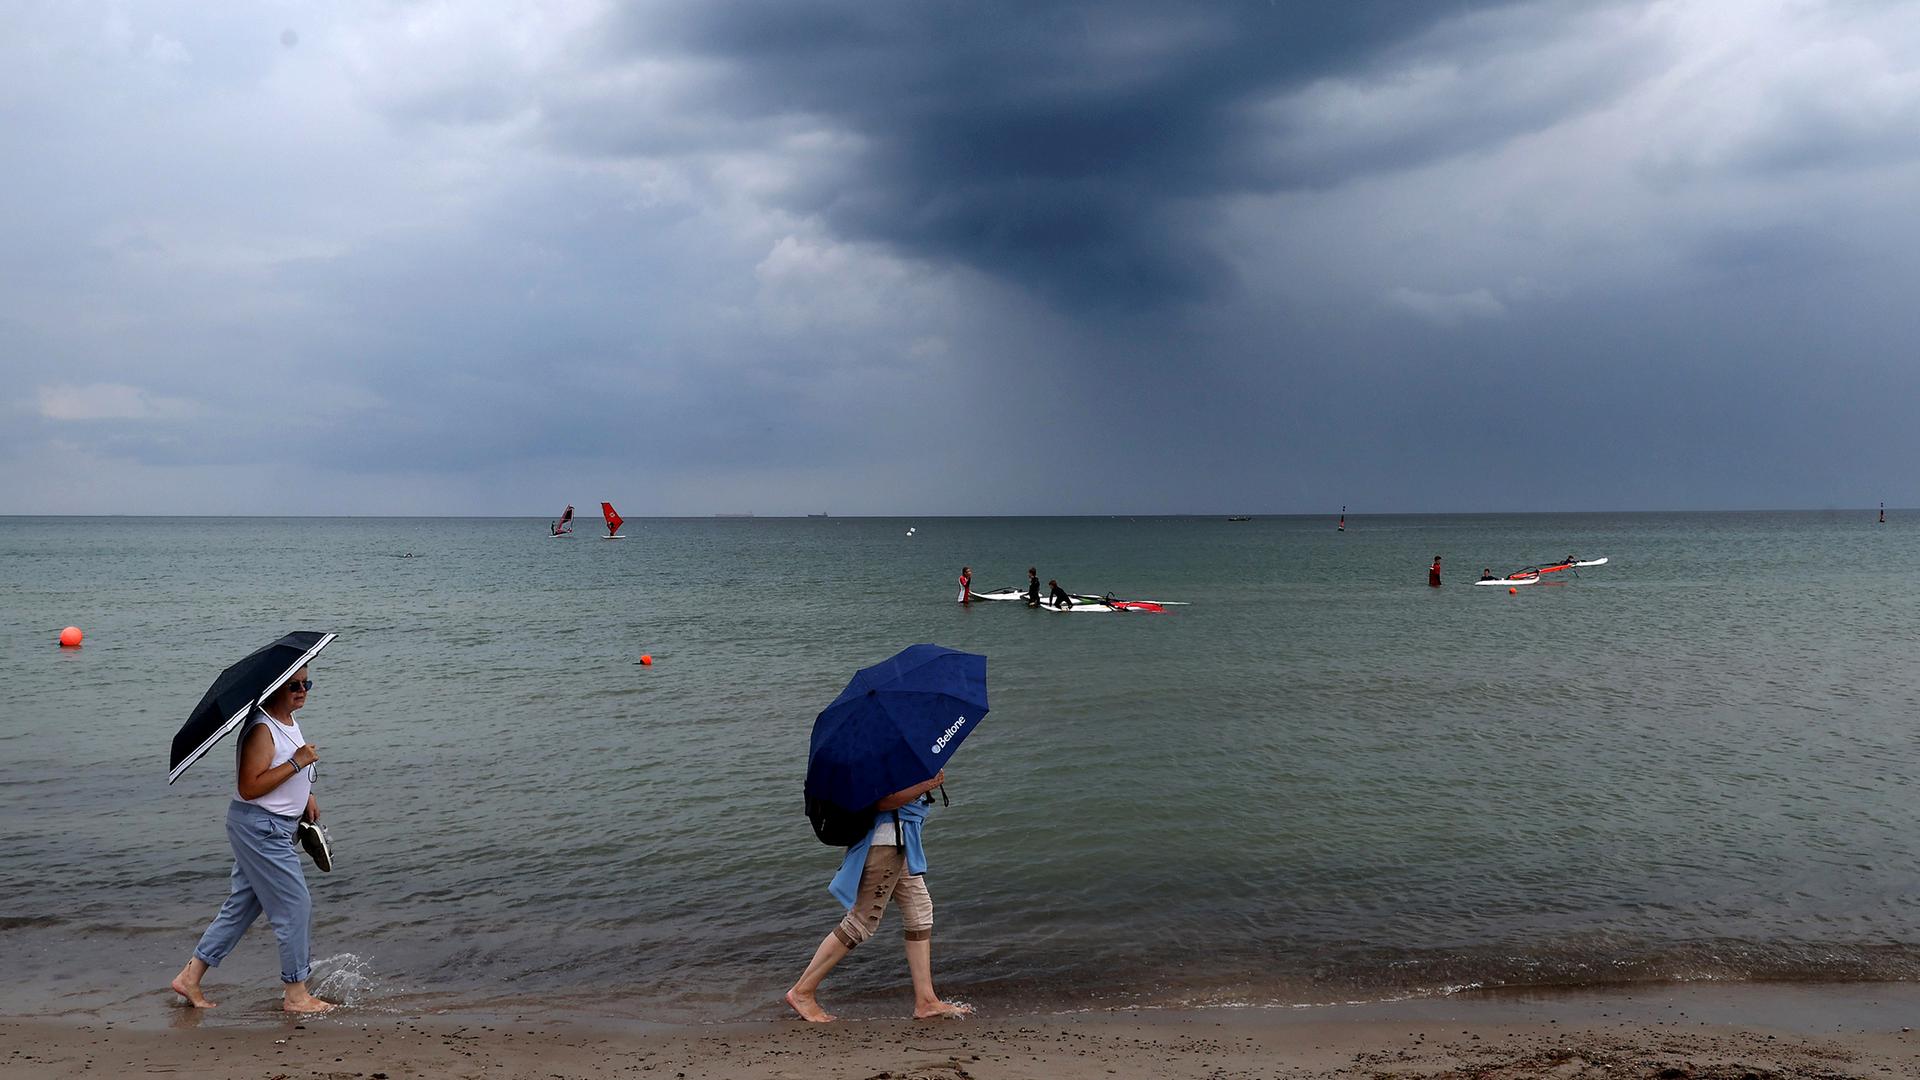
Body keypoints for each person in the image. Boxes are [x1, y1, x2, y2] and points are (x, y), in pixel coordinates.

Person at [170, 668, 333, 1013]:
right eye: (294, 685)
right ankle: (296, 994)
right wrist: (297, 761)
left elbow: (285, 773)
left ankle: (190, 978)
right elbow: (250, 786)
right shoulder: (261, 728)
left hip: (275, 826)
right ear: (274, 686)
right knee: (294, 905)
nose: (302, 689)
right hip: (262, 828)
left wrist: (307, 795)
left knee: (242, 905)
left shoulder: (285, 718)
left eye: (307, 683)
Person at [786, 769, 971, 1023]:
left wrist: (925, 780)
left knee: (920, 911)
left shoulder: (892, 748)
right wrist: (927, 783)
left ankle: (926, 1001)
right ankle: (802, 992)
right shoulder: (875, 754)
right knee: (861, 921)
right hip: (884, 842)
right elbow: (883, 801)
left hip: (902, 839)